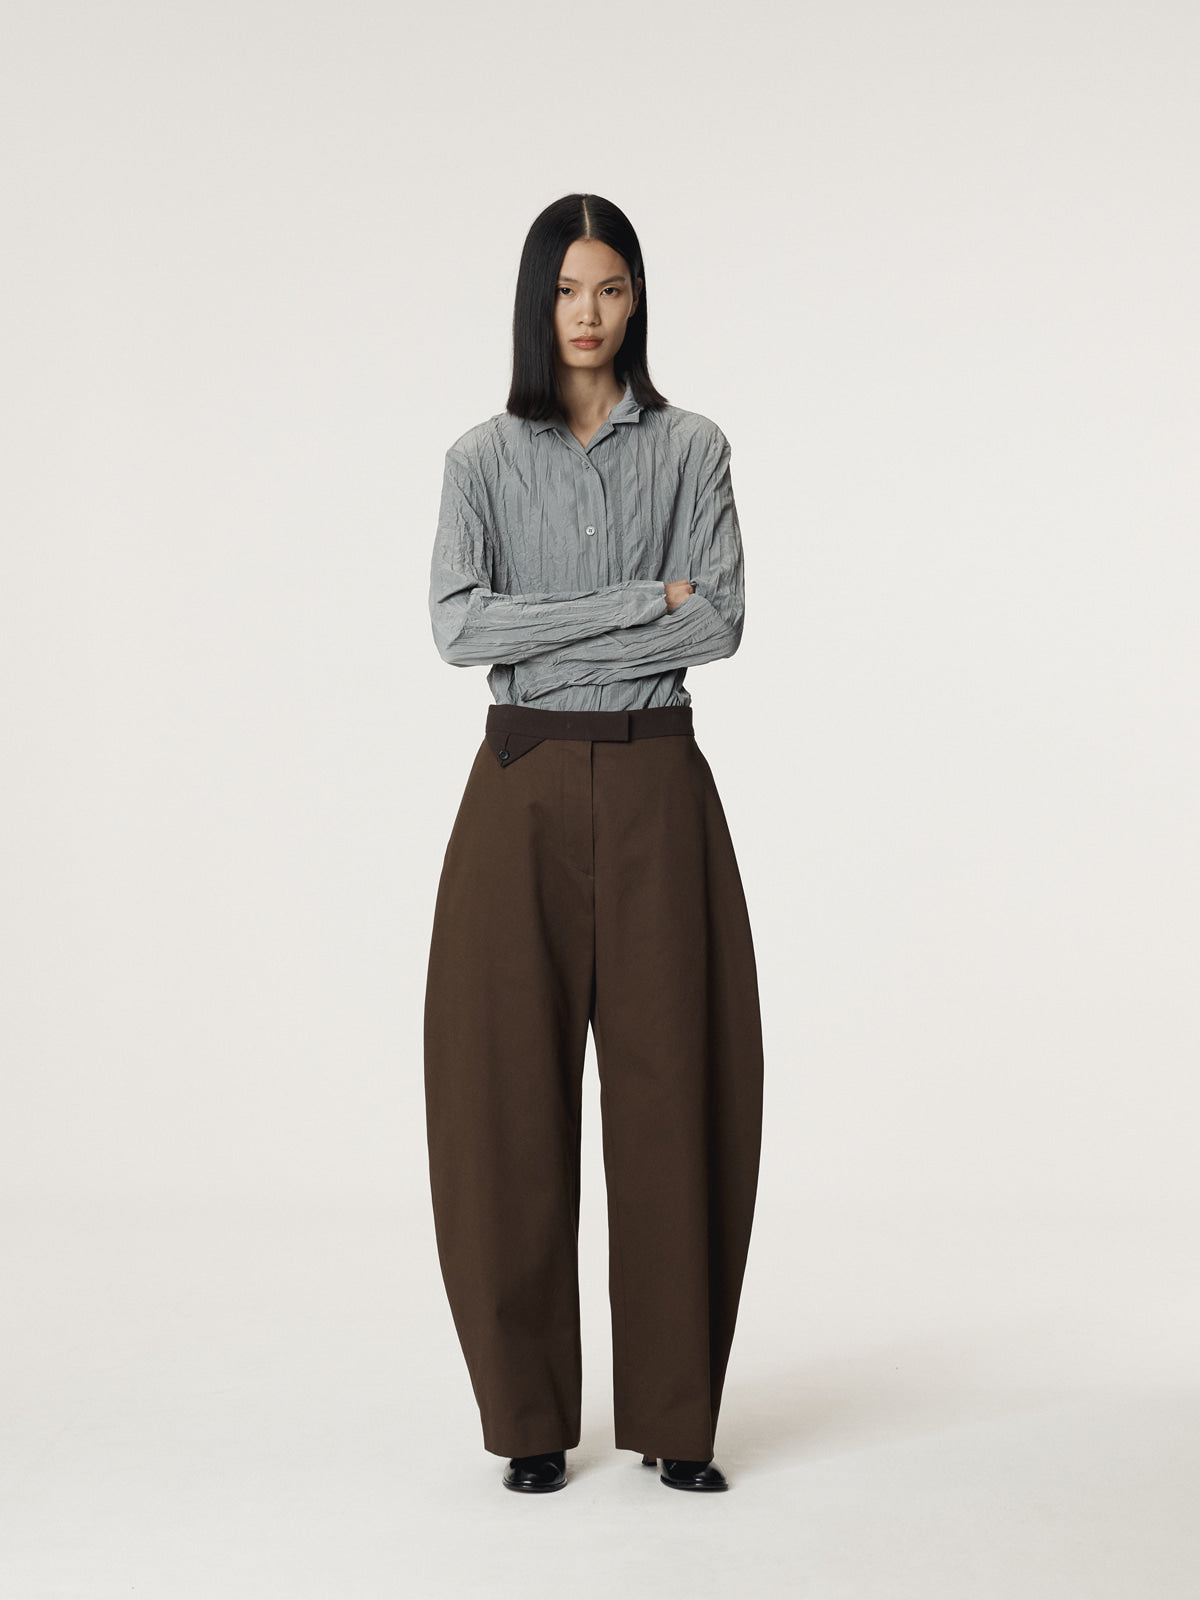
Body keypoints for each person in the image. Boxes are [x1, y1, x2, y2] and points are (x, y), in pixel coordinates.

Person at [423, 193, 764, 1495]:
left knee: (680, 1093)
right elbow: (459, 631)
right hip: (518, 789)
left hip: (658, 781)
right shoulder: (479, 461)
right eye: (567, 288)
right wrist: (633, 604)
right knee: (501, 1100)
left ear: (637, 300)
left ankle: (677, 1419)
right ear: (537, 300)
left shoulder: (693, 450)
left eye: (611, 287)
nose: (588, 312)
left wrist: (550, 623)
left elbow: (718, 625)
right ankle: (530, 1420)